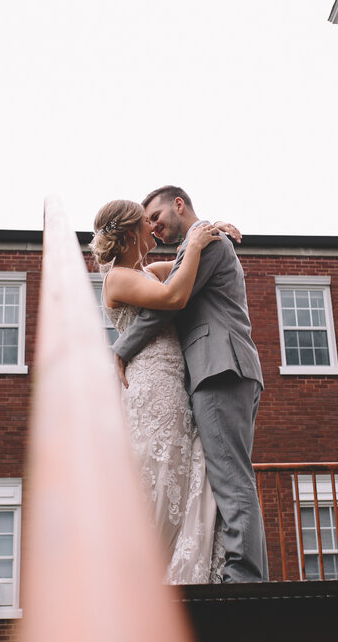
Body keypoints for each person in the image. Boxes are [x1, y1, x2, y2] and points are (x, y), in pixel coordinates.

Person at [112, 186, 268, 583]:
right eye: (147, 224)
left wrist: (120, 349)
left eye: (157, 217)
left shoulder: (208, 244)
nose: (155, 228)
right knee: (216, 475)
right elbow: (165, 289)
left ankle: (243, 578)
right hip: (211, 371)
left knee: (229, 476)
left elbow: (168, 306)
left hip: (220, 368)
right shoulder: (193, 247)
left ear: (178, 204)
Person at [91, 199, 224, 584]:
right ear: (131, 232)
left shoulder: (146, 271)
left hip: (172, 382)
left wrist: (211, 231)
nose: (154, 227)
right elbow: (174, 297)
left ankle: (170, 570)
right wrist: (196, 245)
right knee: (159, 468)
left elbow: (185, 269)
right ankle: (145, 577)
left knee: (180, 468)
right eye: (146, 222)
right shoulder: (117, 278)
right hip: (151, 384)